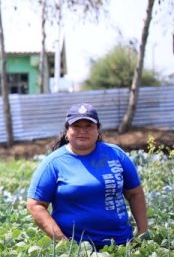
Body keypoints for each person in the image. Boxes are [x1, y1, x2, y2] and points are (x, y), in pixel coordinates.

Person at [27, 103, 148, 249]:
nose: (82, 131)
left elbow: (135, 194)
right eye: (76, 126)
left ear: (98, 130)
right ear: (67, 131)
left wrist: (142, 233)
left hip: (122, 245)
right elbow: (35, 205)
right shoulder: (53, 163)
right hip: (78, 252)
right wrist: (64, 244)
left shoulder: (115, 154)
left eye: (88, 126)